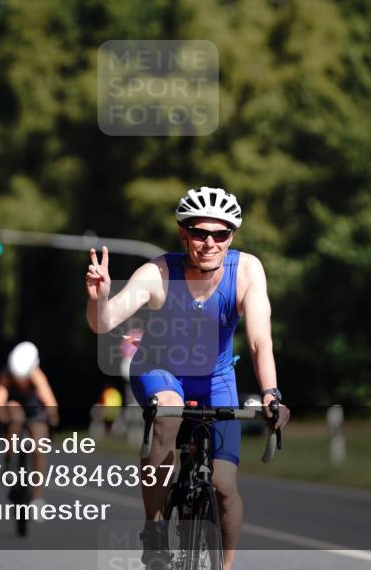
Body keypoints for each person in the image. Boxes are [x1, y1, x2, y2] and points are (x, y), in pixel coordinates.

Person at [85, 186, 290, 570]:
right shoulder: (159, 272)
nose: (210, 243)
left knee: (225, 487)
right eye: (200, 233)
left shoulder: (247, 271)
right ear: (184, 233)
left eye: (221, 234)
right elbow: (105, 323)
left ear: (232, 235)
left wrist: (270, 393)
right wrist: (99, 297)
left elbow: (261, 340)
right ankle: (155, 528)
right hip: (161, 368)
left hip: (217, 377)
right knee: (169, 410)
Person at [0, 341, 59, 512]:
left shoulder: (36, 375)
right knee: (15, 416)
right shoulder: (6, 375)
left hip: (33, 410)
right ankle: (9, 461)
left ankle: (37, 497)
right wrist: (0, 412)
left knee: (39, 447)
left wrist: (52, 415)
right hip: (15, 407)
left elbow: (49, 399)